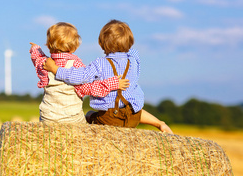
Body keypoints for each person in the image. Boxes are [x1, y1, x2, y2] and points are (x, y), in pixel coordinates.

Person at [43, 19, 173, 134]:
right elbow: (133, 51)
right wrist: (126, 42)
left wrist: (55, 69)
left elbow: (79, 76)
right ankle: (160, 123)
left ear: (101, 43)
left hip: (110, 118)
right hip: (132, 117)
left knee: (89, 115)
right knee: (133, 108)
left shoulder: (100, 63)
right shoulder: (134, 60)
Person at [30, 22, 129, 124]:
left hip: (48, 118)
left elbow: (37, 58)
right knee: (87, 122)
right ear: (75, 46)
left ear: (49, 45)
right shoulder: (77, 66)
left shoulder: (45, 64)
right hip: (72, 119)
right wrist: (112, 84)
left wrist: (35, 49)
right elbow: (89, 88)